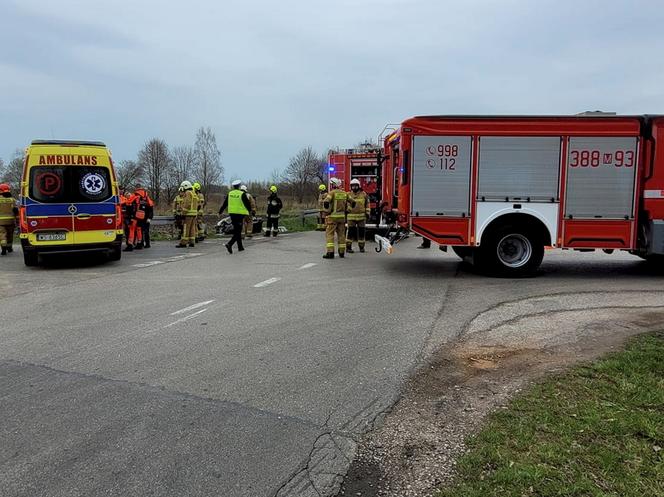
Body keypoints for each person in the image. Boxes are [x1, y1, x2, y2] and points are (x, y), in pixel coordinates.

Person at [219, 180, 252, 254]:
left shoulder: (230, 193)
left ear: (233, 186)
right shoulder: (242, 194)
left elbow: (225, 204)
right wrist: (250, 211)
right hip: (240, 214)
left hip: (232, 214)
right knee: (238, 231)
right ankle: (229, 244)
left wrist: (220, 211)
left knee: (237, 230)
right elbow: (247, 204)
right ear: (239, 186)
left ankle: (240, 247)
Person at [322, 177, 348, 259]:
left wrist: (326, 205)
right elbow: (352, 202)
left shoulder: (332, 193)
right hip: (342, 218)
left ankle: (330, 253)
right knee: (341, 235)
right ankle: (342, 252)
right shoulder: (344, 193)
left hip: (333, 218)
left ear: (333, 185)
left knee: (330, 234)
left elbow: (327, 200)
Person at [346, 178, 370, 253]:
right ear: (351, 187)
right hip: (351, 217)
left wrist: (368, 213)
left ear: (358, 186)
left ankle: (361, 247)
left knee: (362, 233)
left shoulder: (364, 194)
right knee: (350, 233)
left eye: (356, 186)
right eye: (353, 186)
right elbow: (344, 204)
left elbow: (367, 204)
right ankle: (348, 247)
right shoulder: (348, 194)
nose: (354, 188)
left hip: (361, 218)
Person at [176, 181, 199, 248]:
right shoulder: (194, 193)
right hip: (194, 214)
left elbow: (187, 204)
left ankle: (183, 243)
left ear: (185, 186)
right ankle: (192, 242)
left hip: (188, 214)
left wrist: (183, 213)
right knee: (192, 228)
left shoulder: (188, 193)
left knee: (186, 228)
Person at [0, 183, 18, 256]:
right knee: (10, 235)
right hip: (11, 221)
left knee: (2, 235)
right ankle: (9, 247)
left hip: (0, 222)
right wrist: (17, 220)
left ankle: (3, 248)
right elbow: (16, 210)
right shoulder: (12, 200)